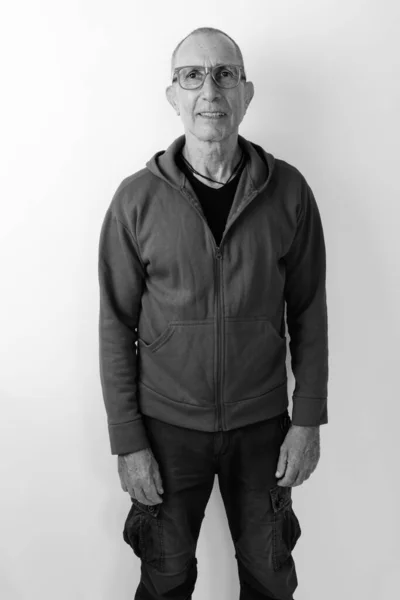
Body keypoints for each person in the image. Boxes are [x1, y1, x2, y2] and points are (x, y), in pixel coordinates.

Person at [98, 26, 329, 600]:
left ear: (246, 92)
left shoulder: (290, 192)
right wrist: (128, 443)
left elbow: (309, 313)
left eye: (225, 74)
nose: (211, 91)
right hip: (167, 429)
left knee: (271, 576)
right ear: (173, 96)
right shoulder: (135, 200)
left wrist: (307, 422)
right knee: (166, 578)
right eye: (193, 76)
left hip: (263, 429)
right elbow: (114, 326)